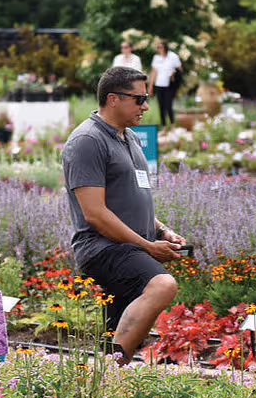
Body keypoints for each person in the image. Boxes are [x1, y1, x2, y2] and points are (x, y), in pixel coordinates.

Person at [62, 66, 187, 363]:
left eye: (146, 99)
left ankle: (108, 376)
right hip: (103, 248)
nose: (145, 107)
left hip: (130, 247)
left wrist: (162, 231)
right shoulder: (87, 141)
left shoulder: (130, 137)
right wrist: (148, 246)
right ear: (113, 98)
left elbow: (129, 200)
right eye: (139, 99)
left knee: (115, 333)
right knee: (162, 285)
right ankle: (113, 366)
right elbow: (95, 214)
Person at [148, 39, 181, 126]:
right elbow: (153, 72)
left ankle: (173, 125)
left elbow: (180, 69)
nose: (158, 49)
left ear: (165, 47)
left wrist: (174, 72)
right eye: (157, 47)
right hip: (159, 84)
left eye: (160, 47)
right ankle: (164, 127)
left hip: (170, 85)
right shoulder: (156, 58)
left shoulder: (173, 56)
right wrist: (150, 87)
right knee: (161, 107)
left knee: (168, 106)